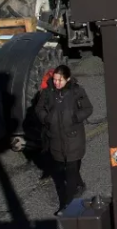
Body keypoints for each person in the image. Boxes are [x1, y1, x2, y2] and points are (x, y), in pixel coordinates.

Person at [38, 65, 93, 213]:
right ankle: (80, 185)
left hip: (74, 138)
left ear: (67, 79)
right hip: (56, 139)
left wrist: (76, 117)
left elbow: (88, 108)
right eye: (55, 79)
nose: (56, 83)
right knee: (64, 167)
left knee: (70, 171)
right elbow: (39, 109)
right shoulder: (48, 92)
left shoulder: (77, 91)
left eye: (60, 80)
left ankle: (66, 205)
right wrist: (47, 118)